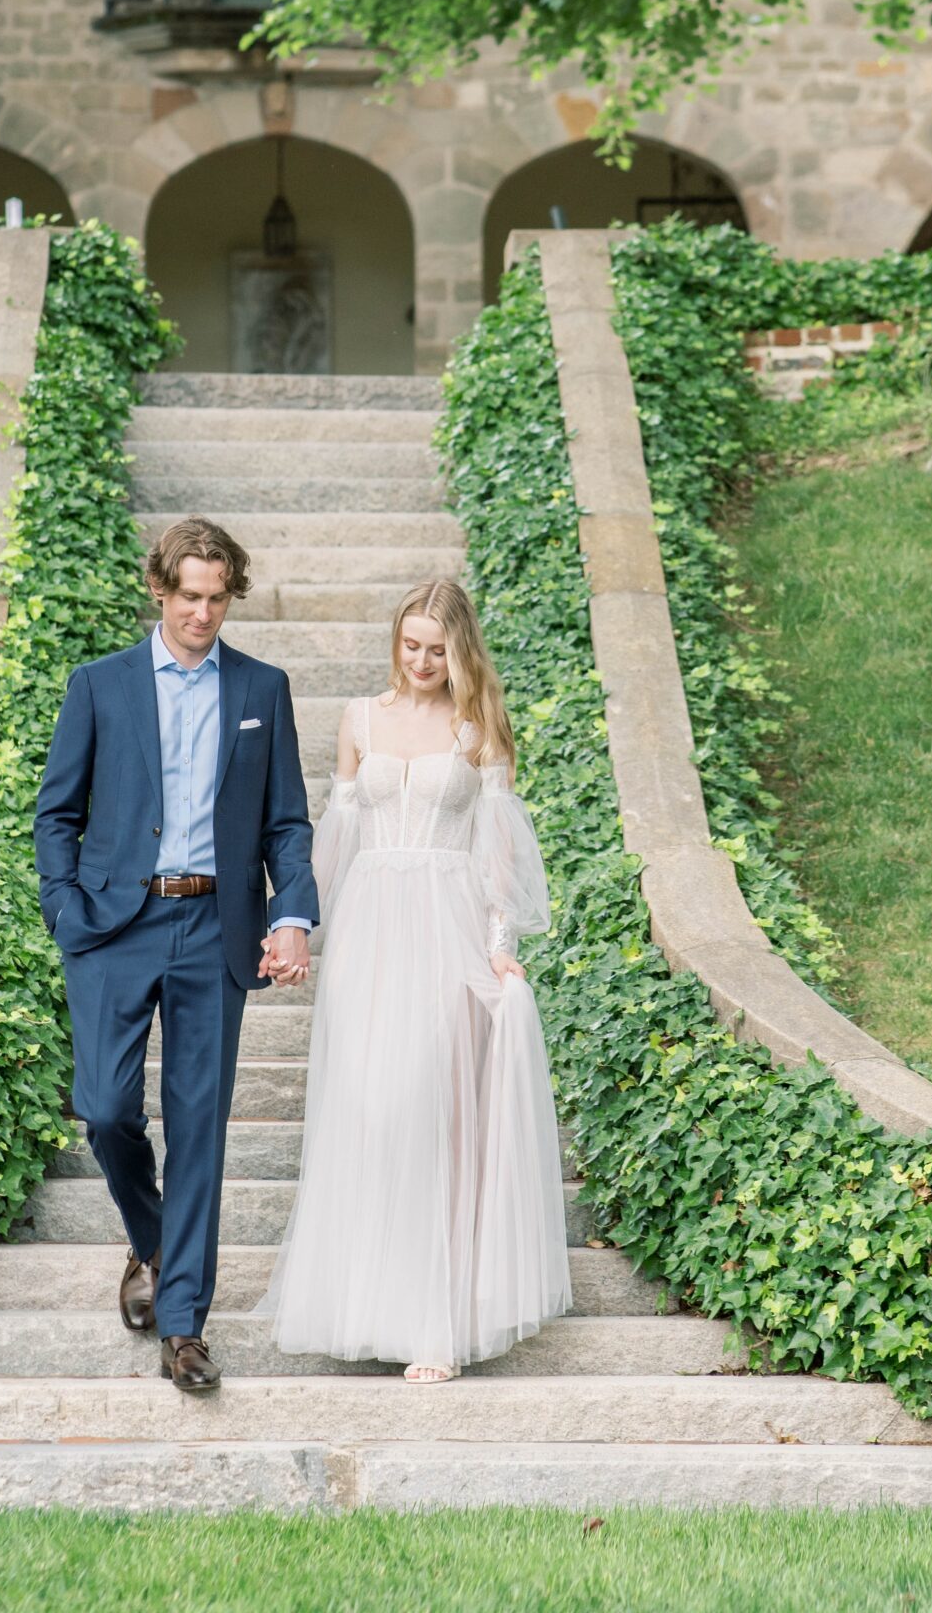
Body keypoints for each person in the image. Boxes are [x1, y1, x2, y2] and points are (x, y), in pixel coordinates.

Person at [257, 577, 572, 1380]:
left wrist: (500, 946)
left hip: (446, 925)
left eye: (437, 648)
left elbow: (496, 849)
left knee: (430, 1104)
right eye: (410, 645)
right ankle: (364, 1307)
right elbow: (337, 832)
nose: (422, 660)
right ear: (395, 642)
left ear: (458, 648)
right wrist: (293, 925)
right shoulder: (359, 718)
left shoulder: (478, 731)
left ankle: (437, 1326)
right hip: (368, 928)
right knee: (367, 1103)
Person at [34, 516, 319, 1394]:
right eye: (188, 596)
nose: (202, 613)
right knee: (104, 1106)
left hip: (213, 931)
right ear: (159, 590)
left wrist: (292, 916)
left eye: (217, 597)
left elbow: (286, 821)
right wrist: (65, 909)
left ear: (231, 594)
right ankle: (153, 1239)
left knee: (199, 1128)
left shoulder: (261, 690)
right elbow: (56, 814)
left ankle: (185, 1326)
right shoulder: (100, 685)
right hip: (115, 927)